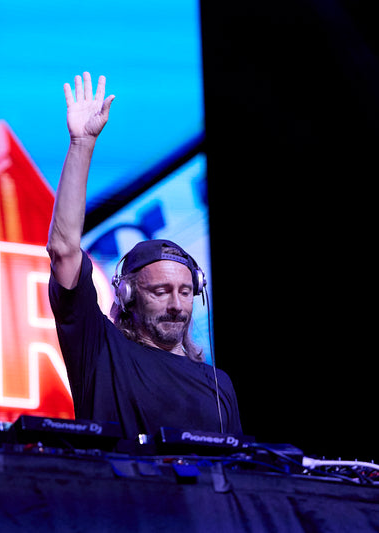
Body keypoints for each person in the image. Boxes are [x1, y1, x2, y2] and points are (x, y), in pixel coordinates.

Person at [47, 72, 242, 440]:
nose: (177, 305)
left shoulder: (219, 386)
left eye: (185, 292)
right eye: (161, 291)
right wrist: (82, 144)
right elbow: (63, 249)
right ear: (127, 295)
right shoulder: (102, 351)